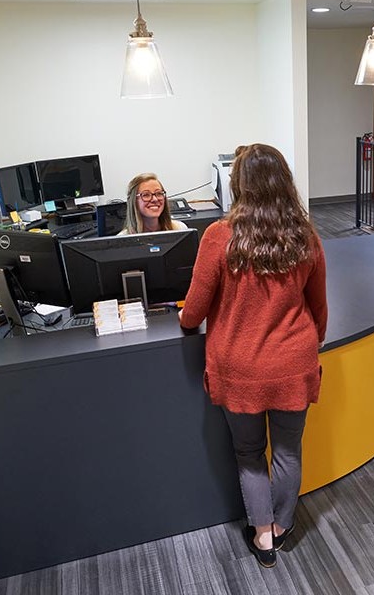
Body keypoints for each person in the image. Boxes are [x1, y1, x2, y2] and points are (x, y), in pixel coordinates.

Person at [179, 144, 327, 568]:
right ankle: (281, 528)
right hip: (293, 363)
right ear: (285, 181)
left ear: (237, 183)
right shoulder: (306, 235)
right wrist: (305, 346)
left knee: (249, 453)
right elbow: (319, 309)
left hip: (238, 366)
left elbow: (195, 308)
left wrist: (186, 325)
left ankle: (261, 534)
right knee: (288, 451)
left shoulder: (219, 236)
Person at [119, 172, 188, 235]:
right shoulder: (122, 239)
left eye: (159, 193)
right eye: (146, 195)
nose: (155, 199)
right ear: (133, 201)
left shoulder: (180, 229)